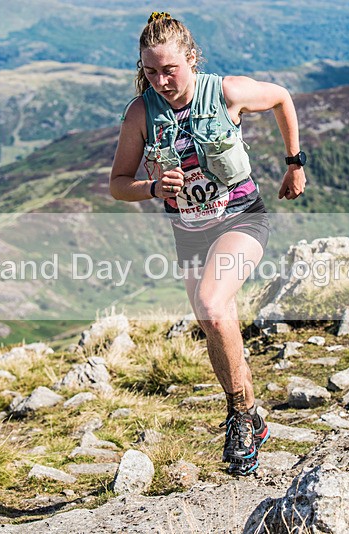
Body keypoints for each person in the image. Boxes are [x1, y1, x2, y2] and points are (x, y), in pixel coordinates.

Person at [109, 11, 306, 476]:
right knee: (215, 319)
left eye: (169, 69)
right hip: (190, 234)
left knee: (213, 306)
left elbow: (281, 98)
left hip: (241, 219)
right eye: (150, 71)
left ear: (191, 59)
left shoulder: (226, 92)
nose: (160, 80)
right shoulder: (141, 113)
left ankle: (237, 418)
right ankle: (251, 413)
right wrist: (154, 189)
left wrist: (294, 162)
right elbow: (118, 183)